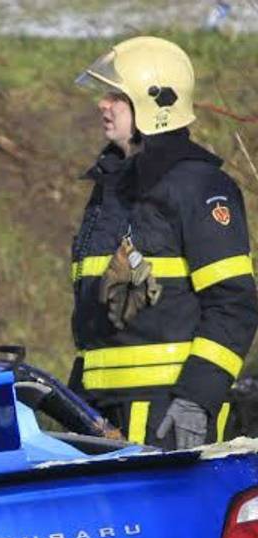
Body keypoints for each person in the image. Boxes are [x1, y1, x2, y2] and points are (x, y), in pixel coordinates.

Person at [68, 36, 258, 449]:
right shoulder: (110, 188)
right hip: (100, 417)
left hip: (171, 415)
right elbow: (97, 316)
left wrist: (196, 399)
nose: (103, 104)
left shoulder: (200, 186)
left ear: (153, 103)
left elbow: (234, 304)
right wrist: (72, 402)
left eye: (117, 95)